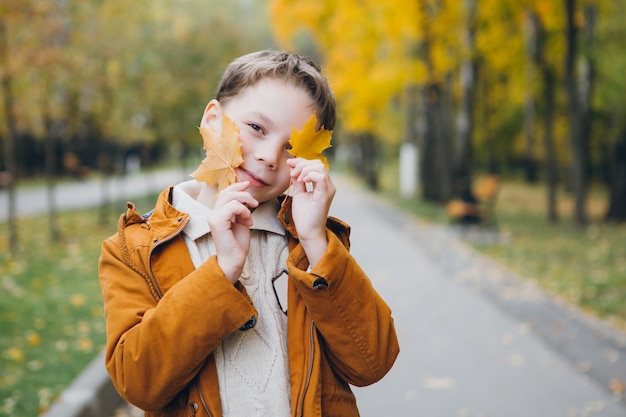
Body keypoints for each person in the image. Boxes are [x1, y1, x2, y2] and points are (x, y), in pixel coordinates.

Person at [99, 49, 399, 417]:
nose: (271, 157)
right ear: (212, 120)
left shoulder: (310, 245)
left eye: (291, 147)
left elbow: (373, 362)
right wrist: (222, 271)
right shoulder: (135, 248)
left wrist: (315, 242)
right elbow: (139, 382)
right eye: (256, 128)